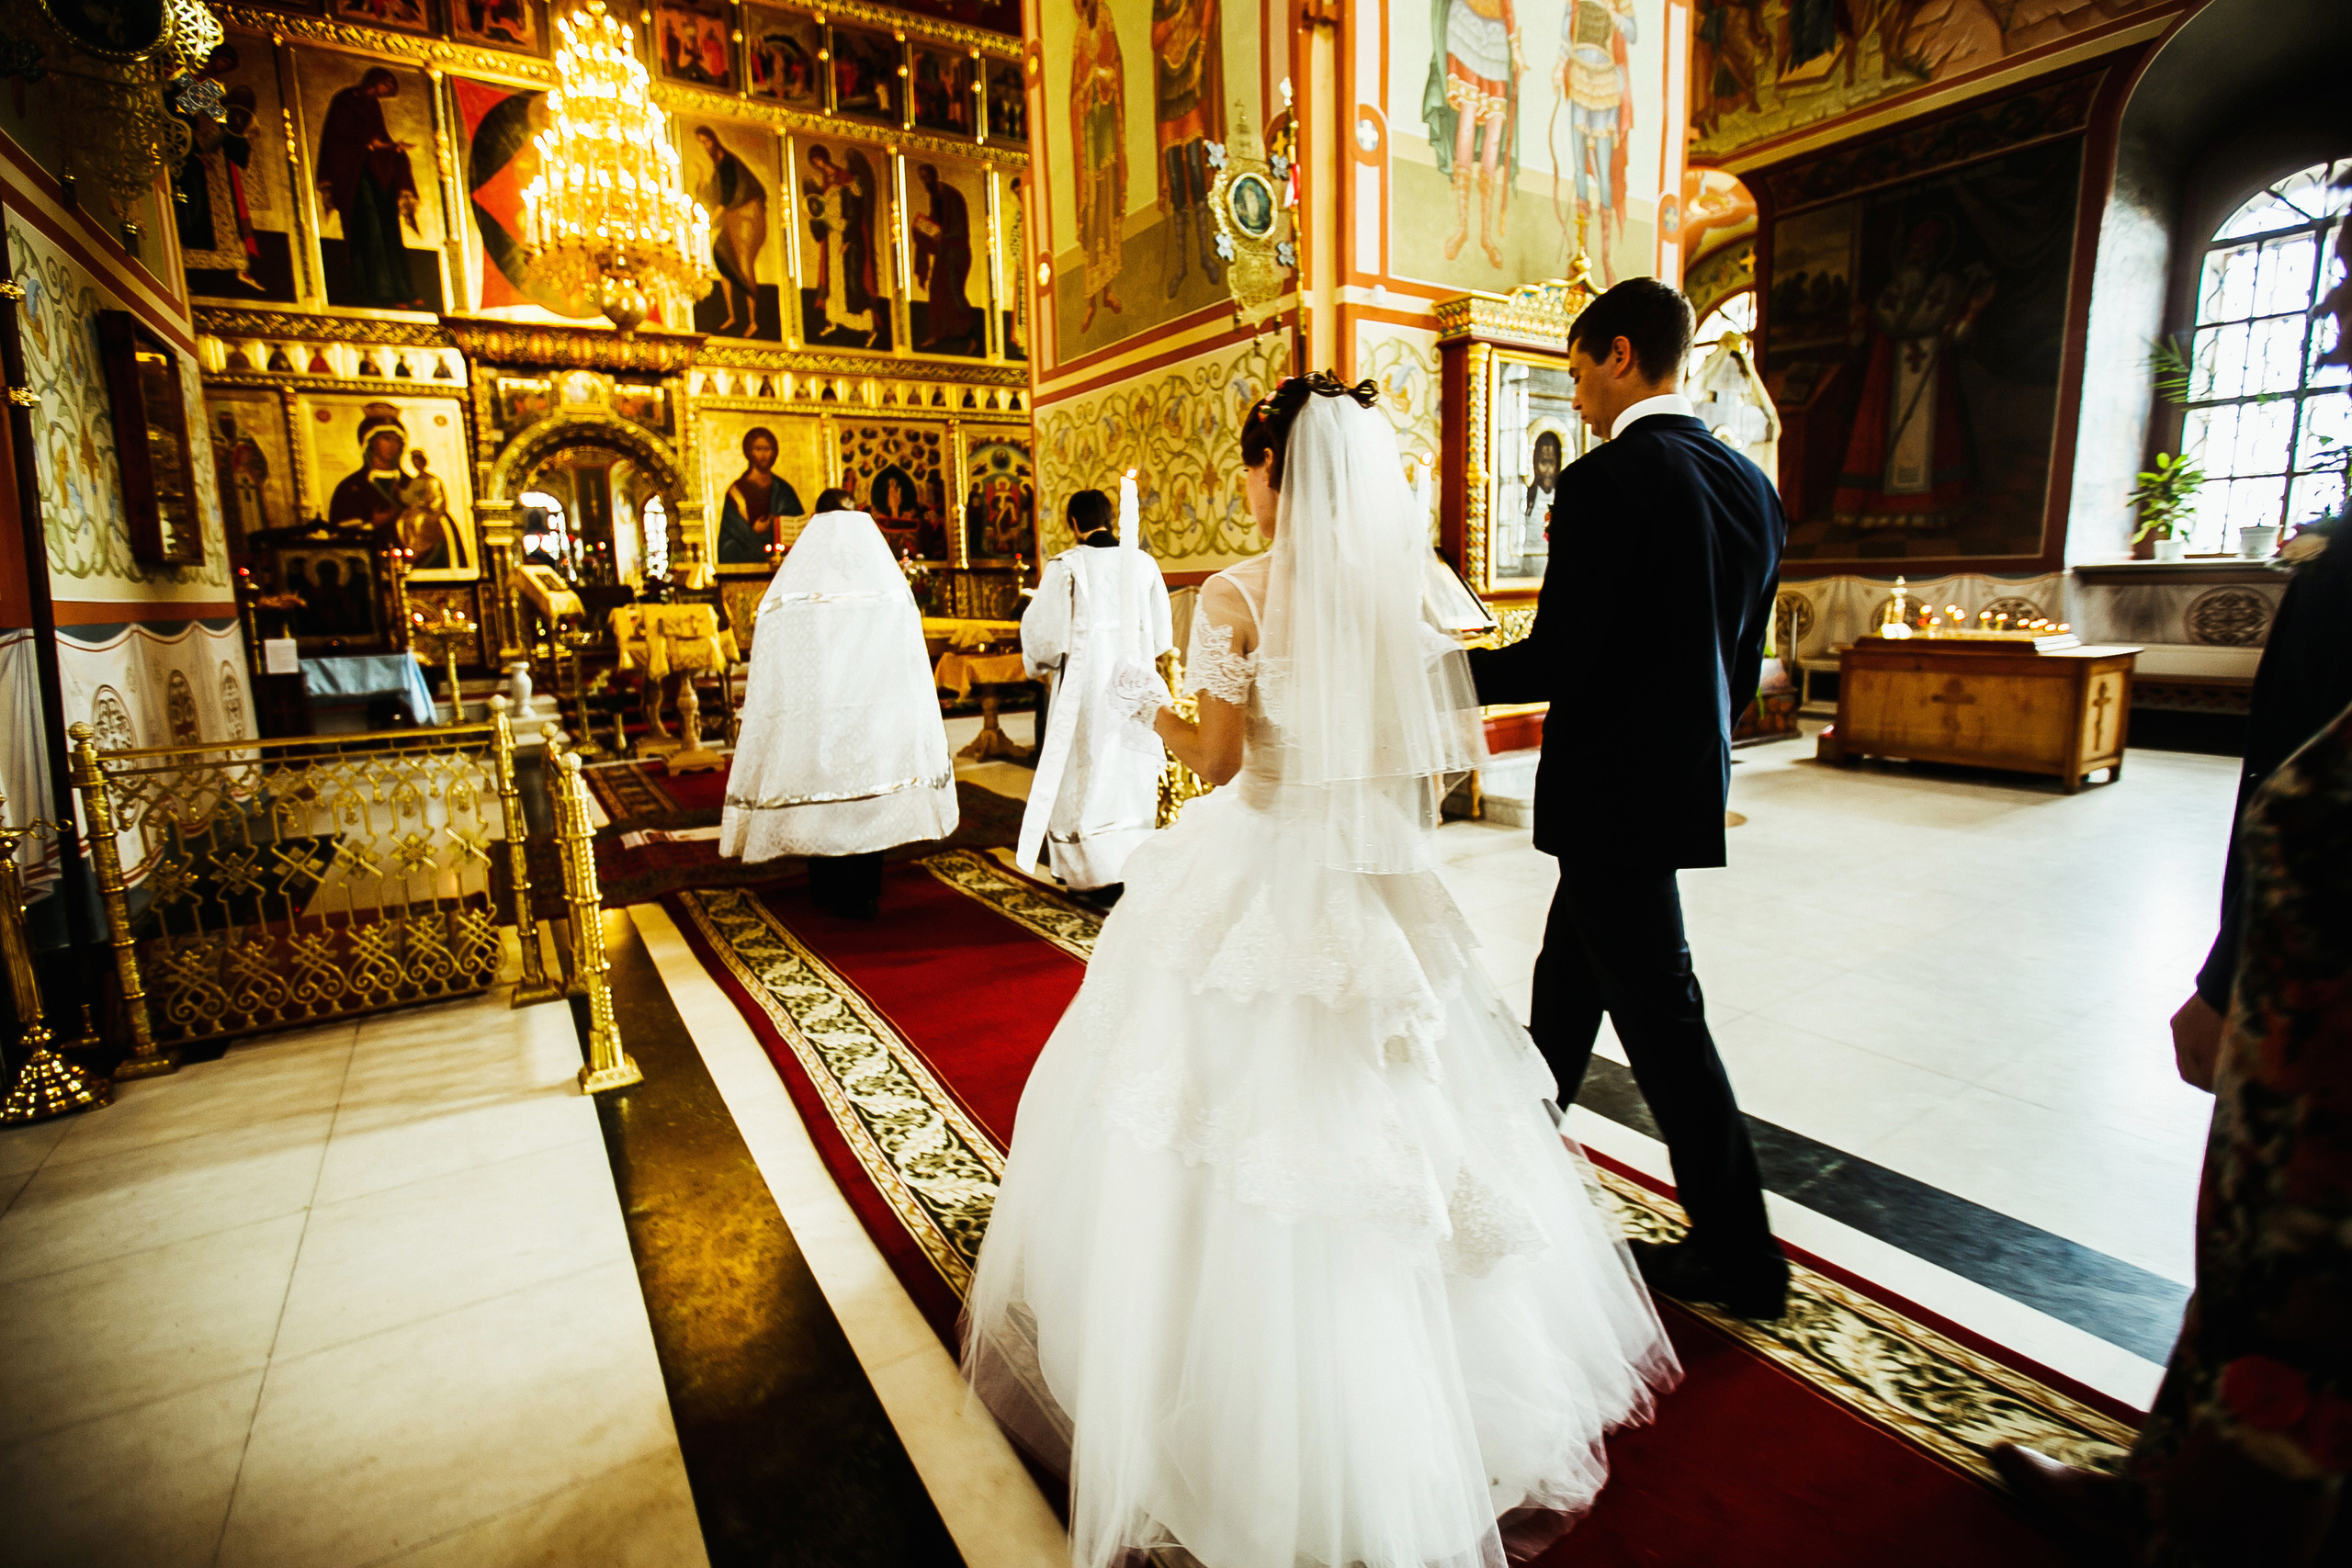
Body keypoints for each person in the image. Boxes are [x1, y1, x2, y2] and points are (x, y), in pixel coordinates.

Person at [963, 375, 1678, 1568]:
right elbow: (1421, 758)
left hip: (1265, 859)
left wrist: (1144, 691)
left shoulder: (1235, 594)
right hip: (1379, 878)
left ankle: (1226, 1377)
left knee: (1213, 1116)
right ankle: (1434, 1391)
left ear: (1264, 467)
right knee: (1401, 1111)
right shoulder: (1408, 591)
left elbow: (1214, 755)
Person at [1464, 277, 1789, 1318]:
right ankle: (1508, 1168)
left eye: (1575, 372)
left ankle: (1742, 1255)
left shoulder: (1608, 482)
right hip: (1675, 780)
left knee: (1664, 1021)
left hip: (1610, 794)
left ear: (1614, 354)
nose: (1577, 398)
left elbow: (1559, 655)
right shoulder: (1746, 482)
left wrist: (1430, 671)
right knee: (1566, 990)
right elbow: (1741, 665)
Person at [719, 489, 956, 921]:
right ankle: (863, 890)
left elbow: (772, 658)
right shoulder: (888, 588)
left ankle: (830, 887)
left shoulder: (789, 593)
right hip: (871, 712)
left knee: (824, 793)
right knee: (864, 796)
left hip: (818, 714)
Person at [1015, 479, 1174, 894]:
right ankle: (1127, 862)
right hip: (1133, 685)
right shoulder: (1141, 564)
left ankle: (1088, 875)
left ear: (1073, 524)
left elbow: (1043, 636)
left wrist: (1041, 664)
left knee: (1084, 767)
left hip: (1082, 691)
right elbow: (1160, 636)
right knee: (1125, 767)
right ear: (1110, 519)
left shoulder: (1066, 566)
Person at [316, 66, 422, 310]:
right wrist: (366, 144)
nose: (385, 93)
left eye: (389, 90)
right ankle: (379, 290)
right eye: (386, 86)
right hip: (354, 176)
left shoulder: (373, 106)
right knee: (370, 230)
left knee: (388, 229)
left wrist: (392, 148)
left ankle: (402, 290)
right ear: (374, 81)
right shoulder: (345, 100)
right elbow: (336, 139)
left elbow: (378, 138)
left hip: (376, 174)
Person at [694, 126, 767, 338]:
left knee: (744, 264)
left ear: (714, 141)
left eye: (706, 142)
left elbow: (726, 198)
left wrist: (708, 223)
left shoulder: (727, 163)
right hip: (732, 216)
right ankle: (732, 315)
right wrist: (700, 180)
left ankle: (753, 321)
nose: (705, 147)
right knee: (721, 256)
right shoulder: (719, 167)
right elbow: (710, 195)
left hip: (747, 214)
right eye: (701, 143)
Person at [716, 426, 804, 563]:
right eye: (758, 449)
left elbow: (800, 528)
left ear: (774, 452)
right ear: (749, 451)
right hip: (749, 569)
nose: (763, 455)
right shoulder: (736, 492)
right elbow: (727, 544)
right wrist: (753, 533)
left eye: (767, 449)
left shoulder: (784, 489)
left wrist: (775, 524)